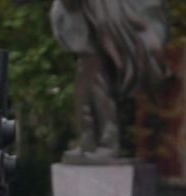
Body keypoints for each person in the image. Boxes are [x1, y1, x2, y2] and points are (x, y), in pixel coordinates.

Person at [49, 0, 168, 162]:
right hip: (89, 39)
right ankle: (90, 141)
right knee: (84, 91)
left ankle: (107, 143)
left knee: (95, 90)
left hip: (97, 38)